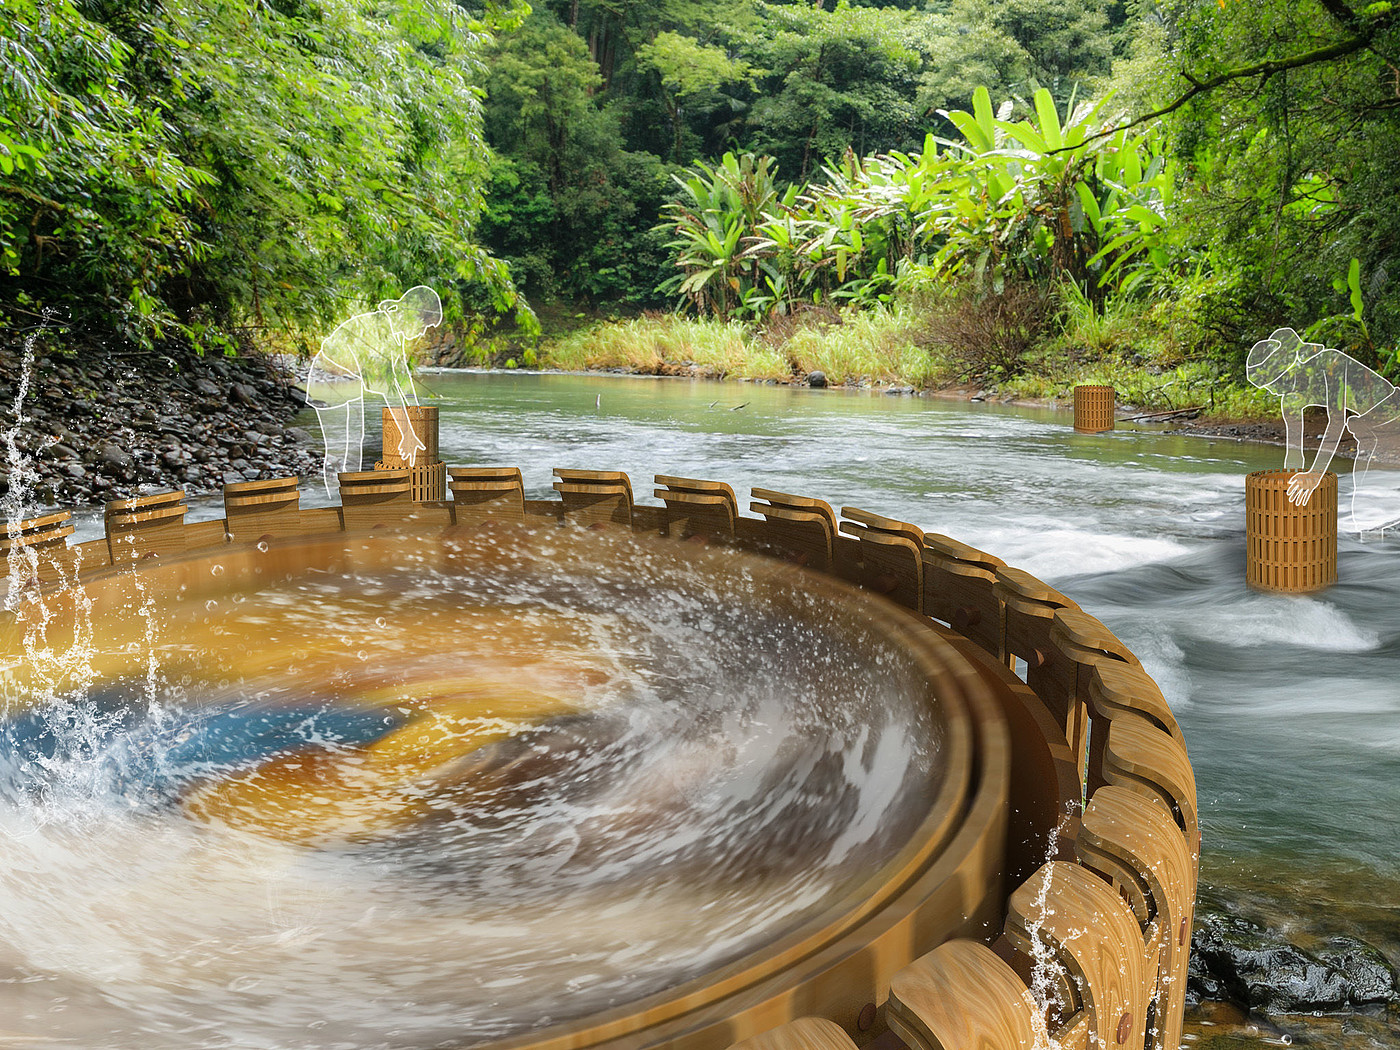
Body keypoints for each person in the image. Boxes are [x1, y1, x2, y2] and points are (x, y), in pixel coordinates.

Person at [1246, 327, 1400, 532]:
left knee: (1370, 512)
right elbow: (1294, 454)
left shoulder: (1330, 362)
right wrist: (1288, 496)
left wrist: (1314, 475)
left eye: (1275, 382)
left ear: (1292, 366)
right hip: (1368, 435)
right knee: (1368, 512)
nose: (1273, 391)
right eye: (1267, 387)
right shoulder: (1290, 400)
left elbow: (1335, 421)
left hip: (1391, 418)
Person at [306, 286, 442, 497]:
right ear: (409, 315)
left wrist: (415, 416)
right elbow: (387, 387)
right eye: (423, 325)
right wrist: (407, 433)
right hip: (330, 379)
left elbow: (401, 377)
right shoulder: (377, 330)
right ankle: (336, 502)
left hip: (349, 379)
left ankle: (350, 499)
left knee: (355, 443)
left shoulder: (393, 333)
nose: (423, 332)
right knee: (341, 450)